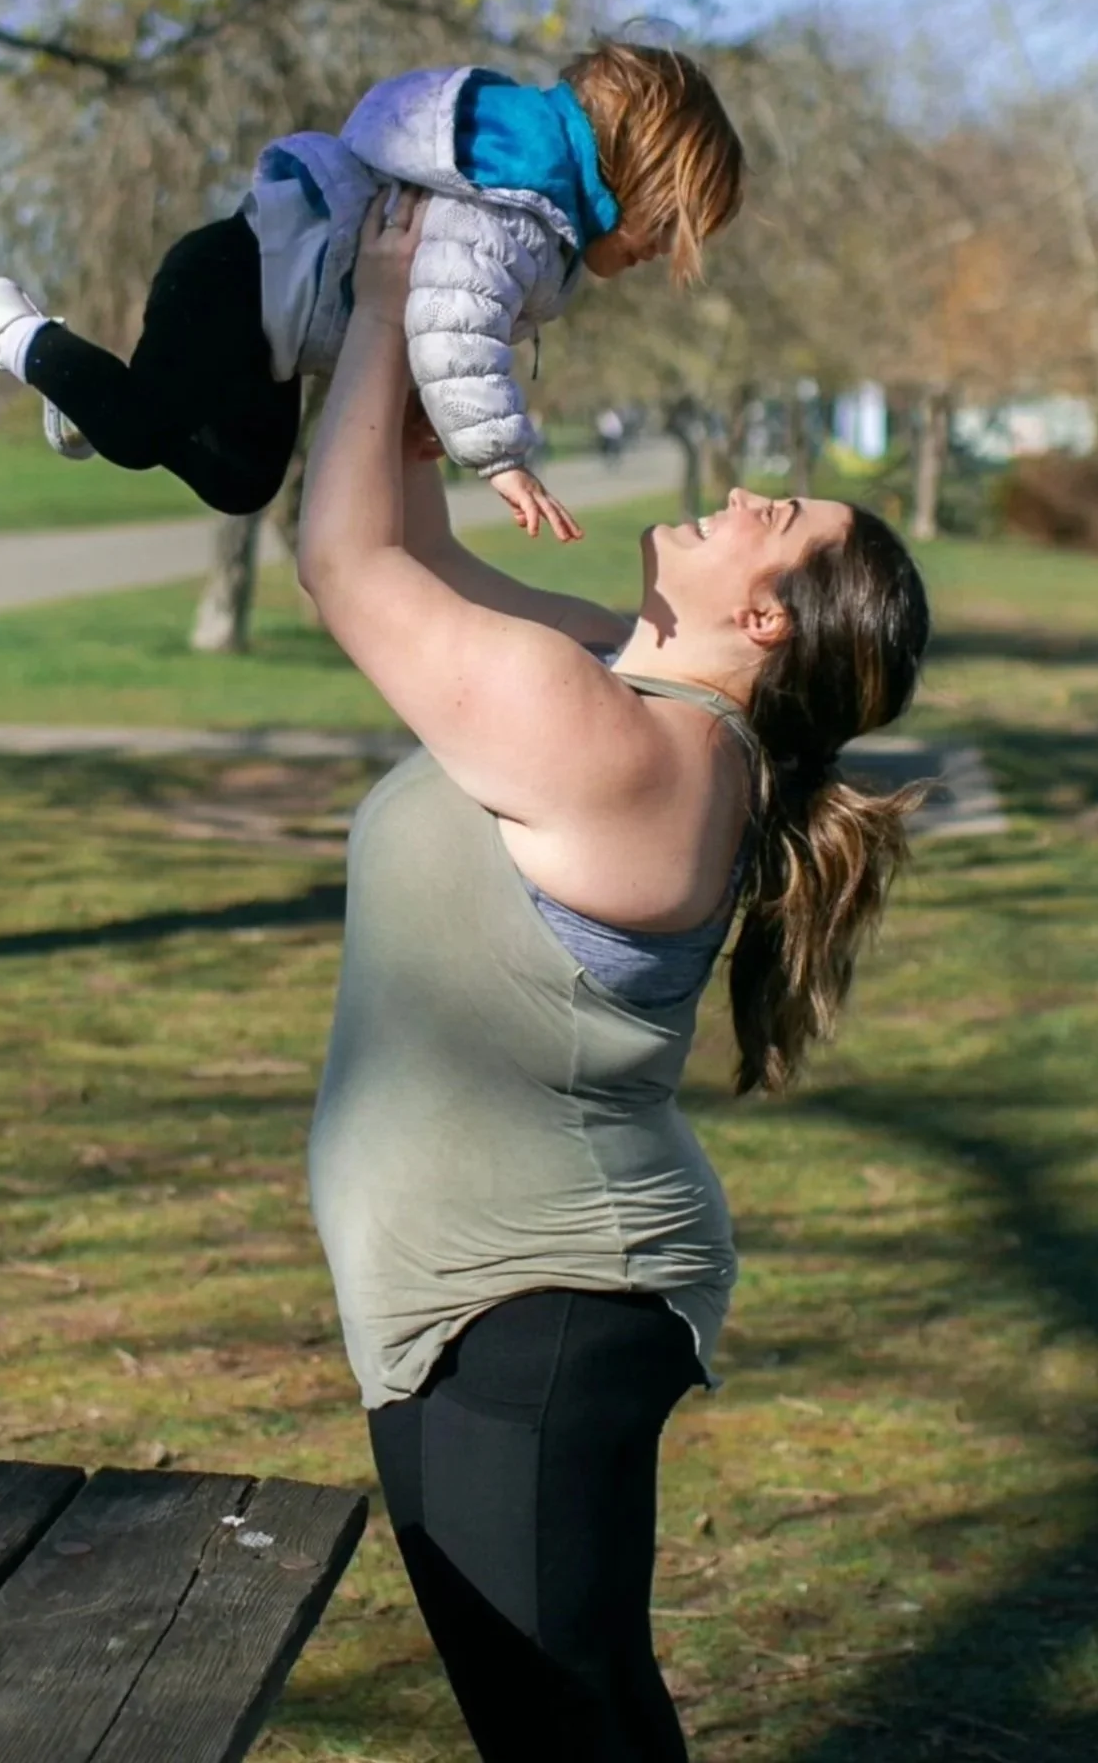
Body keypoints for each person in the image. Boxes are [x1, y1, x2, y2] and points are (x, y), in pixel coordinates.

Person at [298, 193, 932, 1761]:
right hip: (485, 1298)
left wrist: (389, 302)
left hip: (540, 1307)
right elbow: (416, 541)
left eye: (773, 519)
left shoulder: (622, 744)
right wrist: (442, 370)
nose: (743, 496)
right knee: (550, 1719)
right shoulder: (614, 679)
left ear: (764, 618)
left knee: (565, 1726)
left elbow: (343, 561)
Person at [0, 41, 744, 544]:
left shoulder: (529, 215)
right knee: (139, 434)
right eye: (664, 233)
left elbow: (419, 317)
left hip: (273, 336)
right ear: (637, 180)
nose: (657, 259)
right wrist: (499, 454)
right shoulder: (514, 209)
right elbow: (451, 325)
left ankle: (87, 391)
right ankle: (7, 328)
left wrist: (411, 412)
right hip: (232, 283)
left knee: (243, 482)